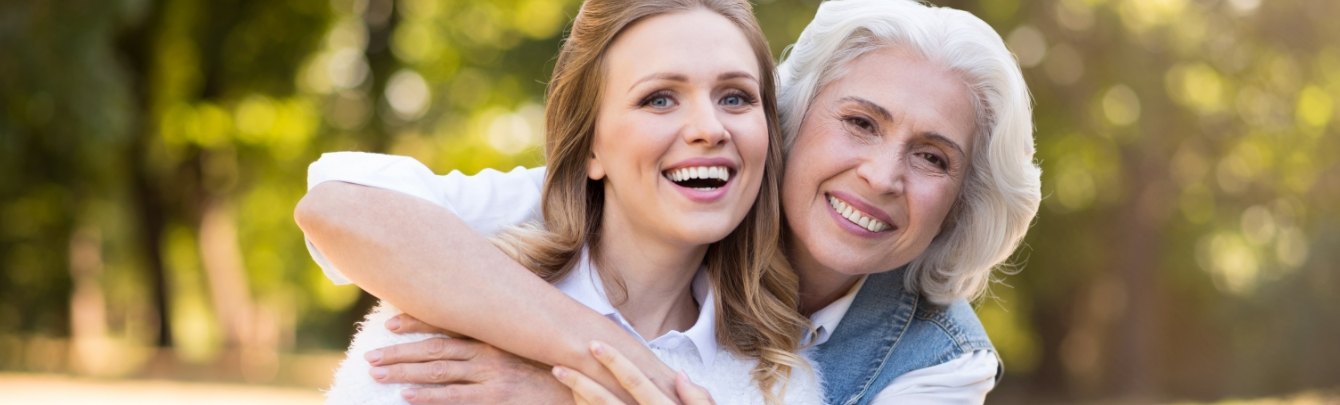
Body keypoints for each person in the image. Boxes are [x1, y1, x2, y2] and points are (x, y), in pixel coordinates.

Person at [298, 0, 1040, 403]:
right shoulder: (514, 244)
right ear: (793, 124)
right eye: (859, 122)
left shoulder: (915, 365)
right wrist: (612, 359)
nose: (882, 174)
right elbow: (341, 205)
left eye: (933, 156)